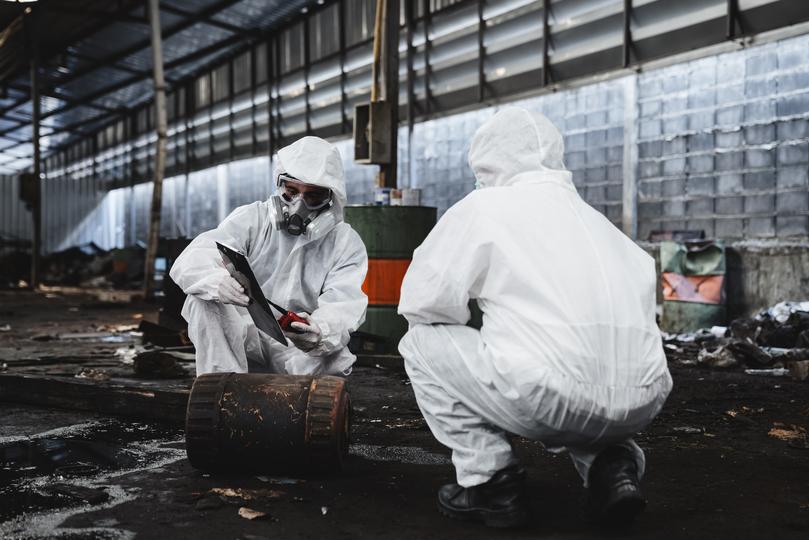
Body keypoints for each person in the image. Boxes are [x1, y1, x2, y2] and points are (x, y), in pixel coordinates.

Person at [397, 107, 672, 529]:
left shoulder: (485, 206)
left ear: (488, 162)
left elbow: (425, 303)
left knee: (420, 341)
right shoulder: (600, 225)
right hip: (644, 398)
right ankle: (612, 466)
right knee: (576, 363)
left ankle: (490, 482)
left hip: (549, 395)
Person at [170, 136, 368, 377]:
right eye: (291, 191)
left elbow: (344, 303)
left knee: (335, 359)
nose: (298, 205)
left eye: (313, 196)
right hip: (244, 339)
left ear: (331, 198)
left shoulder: (344, 242)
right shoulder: (253, 219)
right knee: (201, 300)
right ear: (279, 185)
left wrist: (319, 331)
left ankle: (299, 402)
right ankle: (221, 389)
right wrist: (216, 281)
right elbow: (197, 255)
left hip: (297, 350)